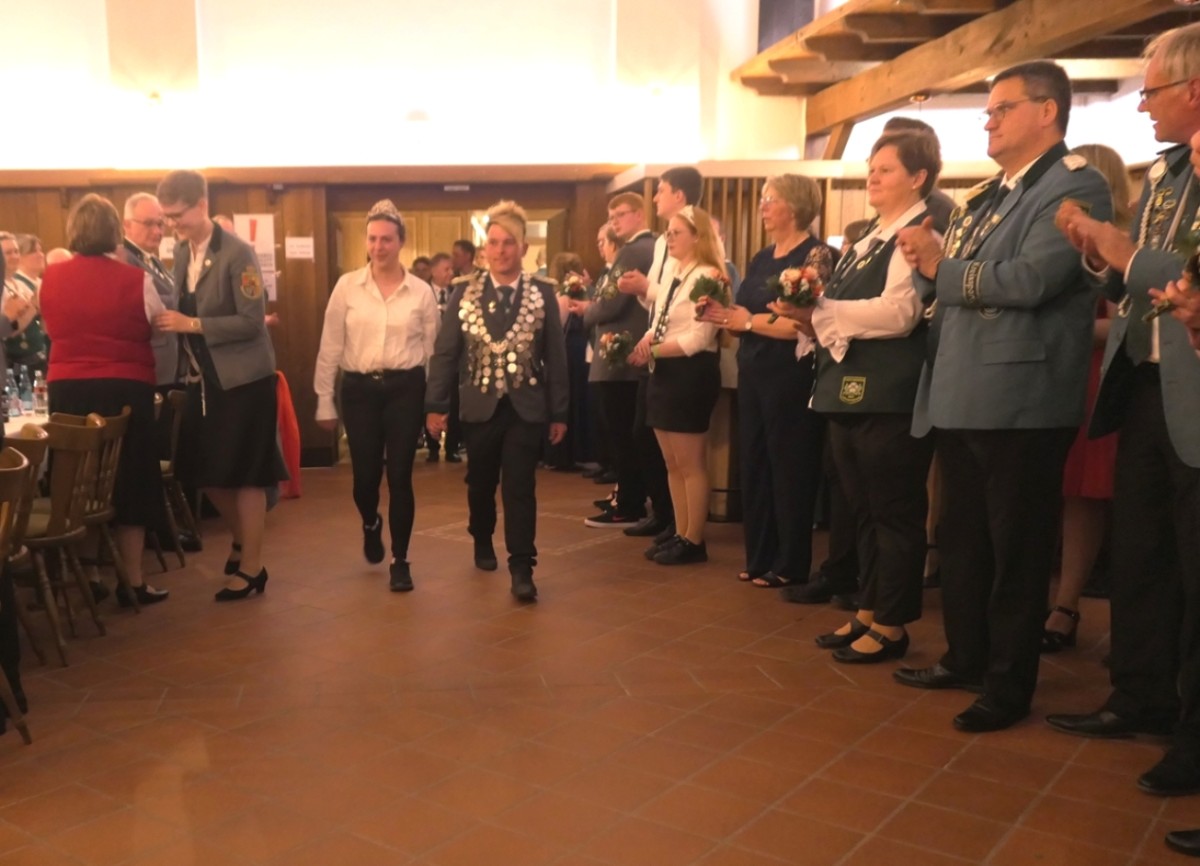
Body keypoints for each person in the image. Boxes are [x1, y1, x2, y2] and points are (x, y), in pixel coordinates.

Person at [892, 61, 1112, 733]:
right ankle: (966, 656)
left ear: (1047, 112)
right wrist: (925, 266)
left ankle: (1009, 684)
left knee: (1016, 549)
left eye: (1001, 108)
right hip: (961, 387)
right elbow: (952, 282)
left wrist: (942, 266)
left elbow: (1033, 279)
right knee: (961, 539)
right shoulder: (989, 194)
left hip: (1021, 396)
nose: (987, 121)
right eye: (987, 110)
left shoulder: (1075, 185)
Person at [1047, 25, 1200, 821]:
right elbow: (1139, 274)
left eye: (1152, 91)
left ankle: (1191, 734)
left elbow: (1180, 273)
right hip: (1142, 379)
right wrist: (1098, 250)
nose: (1143, 106)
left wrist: (1125, 251)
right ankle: (1137, 696)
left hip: (1191, 383)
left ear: (1195, 89)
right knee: (1141, 552)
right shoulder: (1169, 174)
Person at [773, 133, 940, 663]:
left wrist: (822, 313)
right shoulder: (870, 235)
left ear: (918, 177)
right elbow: (844, 306)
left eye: (886, 169)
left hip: (889, 391)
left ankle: (892, 623)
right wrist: (810, 314)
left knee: (893, 511)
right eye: (871, 167)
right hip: (849, 389)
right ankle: (869, 608)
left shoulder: (917, 232)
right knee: (862, 510)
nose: (873, 176)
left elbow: (900, 313)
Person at [425, 201, 569, 602]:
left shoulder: (542, 293)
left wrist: (559, 411)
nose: (500, 250)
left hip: (525, 406)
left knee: (520, 486)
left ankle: (522, 566)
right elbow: (445, 353)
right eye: (493, 242)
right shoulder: (465, 292)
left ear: (523, 247)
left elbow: (556, 357)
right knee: (481, 482)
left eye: (508, 243)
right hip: (479, 406)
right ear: (484, 248)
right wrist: (436, 404)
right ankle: (482, 535)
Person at [697, 175, 833, 588]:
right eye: (762, 198)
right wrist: (722, 312)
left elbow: (802, 324)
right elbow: (743, 314)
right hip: (754, 372)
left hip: (791, 374)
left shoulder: (817, 255)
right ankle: (759, 557)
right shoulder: (761, 258)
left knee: (789, 467)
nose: (762, 205)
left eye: (770, 198)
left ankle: (790, 562)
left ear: (794, 205)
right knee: (754, 464)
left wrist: (747, 322)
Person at [153, 170, 280, 602]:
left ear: (202, 205)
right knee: (205, 471)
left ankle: (253, 568)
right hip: (203, 380)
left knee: (247, 475)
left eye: (178, 215)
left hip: (244, 381)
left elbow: (250, 322)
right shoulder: (181, 252)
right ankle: (244, 539)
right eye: (167, 217)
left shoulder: (238, 253)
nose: (172, 224)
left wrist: (192, 324)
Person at [38, 194, 170, 607]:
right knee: (132, 479)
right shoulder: (136, 279)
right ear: (116, 232)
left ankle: (90, 574)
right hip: (126, 386)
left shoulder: (50, 277)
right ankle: (132, 580)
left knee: (81, 479)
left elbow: (50, 327)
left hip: (69, 388)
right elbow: (157, 327)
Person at [314, 200, 439, 592]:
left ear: (401, 242)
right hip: (359, 391)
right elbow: (330, 345)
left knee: (400, 475)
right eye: (372, 239)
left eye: (386, 239)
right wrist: (324, 399)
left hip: (406, 389)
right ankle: (370, 521)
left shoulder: (421, 292)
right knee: (365, 478)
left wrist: (436, 405)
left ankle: (401, 560)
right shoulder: (347, 287)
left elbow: (434, 353)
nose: (378, 246)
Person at [1042, 143, 1131, 652]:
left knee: (1095, 497)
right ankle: (1054, 600)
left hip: (1100, 375)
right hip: (1060, 374)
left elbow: (1123, 322)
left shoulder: (1122, 239)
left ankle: (1082, 607)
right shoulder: (1057, 238)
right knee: (1061, 494)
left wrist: (1067, 329)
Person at [630, 205, 722, 565]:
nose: (669, 238)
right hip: (665, 370)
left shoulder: (709, 276)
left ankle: (694, 539)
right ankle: (680, 532)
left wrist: (653, 350)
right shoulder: (675, 273)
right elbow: (663, 321)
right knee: (671, 462)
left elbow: (699, 337)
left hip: (691, 373)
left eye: (676, 232)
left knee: (690, 462)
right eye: (667, 232)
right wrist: (645, 341)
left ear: (697, 237)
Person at [616, 166, 704, 541]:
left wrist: (647, 290)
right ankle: (673, 523)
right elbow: (662, 302)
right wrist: (646, 334)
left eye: (661, 190)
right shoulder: (668, 253)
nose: (655, 197)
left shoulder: (704, 270)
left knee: (685, 460)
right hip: (661, 353)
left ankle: (688, 534)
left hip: (684, 364)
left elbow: (695, 327)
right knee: (661, 450)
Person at [572, 198, 651, 528]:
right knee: (626, 435)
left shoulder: (633, 251)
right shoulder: (649, 247)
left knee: (622, 436)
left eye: (621, 215)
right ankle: (626, 496)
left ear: (640, 215)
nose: (615, 221)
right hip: (631, 355)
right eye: (611, 216)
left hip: (620, 358)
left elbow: (609, 303)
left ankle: (629, 504)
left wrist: (586, 312)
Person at [122, 192, 180, 389]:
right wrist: (186, 299)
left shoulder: (152, 259)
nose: (157, 231)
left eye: (160, 224)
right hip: (152, 363)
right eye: (148, 224)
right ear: (127, 225)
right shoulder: (124, 258)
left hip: (169, 362)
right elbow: (141, 301)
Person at [545, 251, 593, 470]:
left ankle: (562, 454)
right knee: (576, 398)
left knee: (565, 397)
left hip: (566, 351)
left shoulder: (561, 295)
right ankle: (577, 451)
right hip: (579, 349)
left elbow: (556, 327)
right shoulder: (584, 293)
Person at [424, 252, 462, 462]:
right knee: (431, 399)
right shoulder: (422, 292)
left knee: (455, 403)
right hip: (428, 356)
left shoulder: (459, 293)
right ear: (434, 271)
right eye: (446, 269)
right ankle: (432, 446)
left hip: (454, 360)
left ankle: (452, 447)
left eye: (452, 269)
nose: (451, 273)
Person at [0, 233, 46, 373]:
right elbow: (8, 332)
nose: (14, 256)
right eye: (8, 253)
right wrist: (34, 306)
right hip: (14, 364)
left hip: (35, 357)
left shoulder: (19, 285)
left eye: (16, 251)